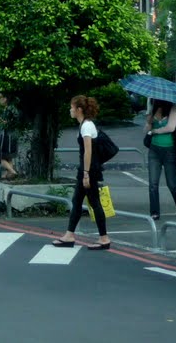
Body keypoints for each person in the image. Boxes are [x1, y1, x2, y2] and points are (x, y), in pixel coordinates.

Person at [52, 95, 110, 250]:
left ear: (79, 109)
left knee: (94, 202)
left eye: (72, 107)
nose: (70, 110)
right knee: (77, 201)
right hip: (87, 169)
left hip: (88, 170)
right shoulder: (85, 124)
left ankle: (104, 238)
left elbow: (88, 151)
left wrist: (85, 173)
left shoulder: (86, 126)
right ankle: (69, 235)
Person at [145, 99, 176, 220]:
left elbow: (170, 128)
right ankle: (154, 212)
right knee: (153, 183)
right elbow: (147, 129)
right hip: (154, 150)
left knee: (171, 183)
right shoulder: (153, 107)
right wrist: (149, 117)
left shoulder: (173, 108)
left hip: (170, 151)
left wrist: (155, 131)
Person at [0, 93, 19, 180]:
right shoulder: (10, 108)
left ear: (5, 98)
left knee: (1, 157)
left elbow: (8, 123)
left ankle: (12, 171)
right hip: (11, 136)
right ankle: (10, 176)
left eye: (0, 98)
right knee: (8, 157)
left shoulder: (9, 109)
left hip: (7, 137)